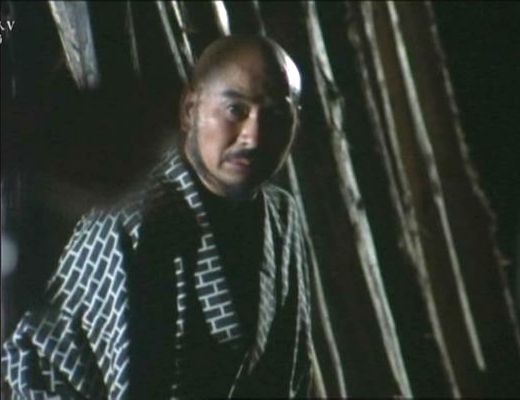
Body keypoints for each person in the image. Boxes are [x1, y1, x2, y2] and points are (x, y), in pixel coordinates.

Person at [1, 35, 314, 399]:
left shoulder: (281, 215)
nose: (253, 137)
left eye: (276, 115)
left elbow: (288, 371)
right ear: (190, 109)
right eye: (235, 110)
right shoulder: (132, 220)